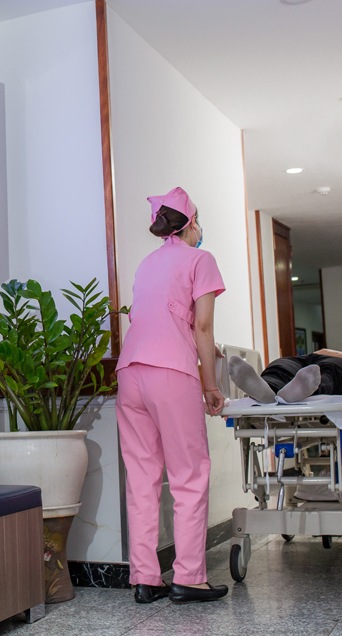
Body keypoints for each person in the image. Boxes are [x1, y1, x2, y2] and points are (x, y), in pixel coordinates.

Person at [115, 187, 229, 605]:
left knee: (142, 478)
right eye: (199, 221)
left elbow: (158, 318)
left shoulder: (147, 264)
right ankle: (189, 577)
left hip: (130, 373)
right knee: (189, 475)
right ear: (191, 222)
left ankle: (145, 578)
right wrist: (211, 385)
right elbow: (203, 326)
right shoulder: (201, 259)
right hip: (171, 374)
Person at [228, 349, 342, 404]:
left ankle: (302, 389)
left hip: (338, 365)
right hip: (305, 360)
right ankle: (267, 391)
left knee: (330, 374)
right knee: (280, 367)